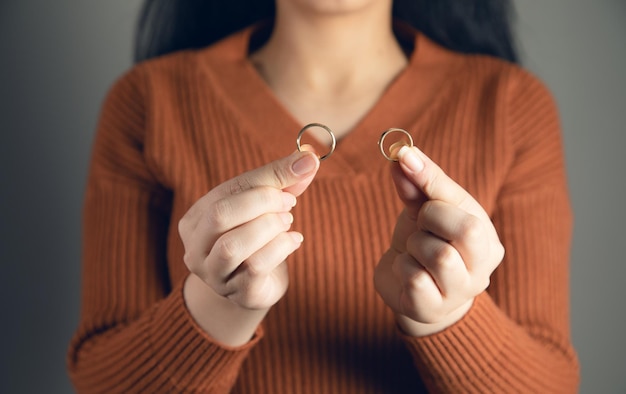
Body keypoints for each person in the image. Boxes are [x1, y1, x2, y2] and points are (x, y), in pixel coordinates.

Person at [67, 0, 580, 392]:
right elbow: (100, 378)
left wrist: (450, 318)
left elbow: (552, 381)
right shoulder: (147, 101)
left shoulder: (510, 105)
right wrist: (218, 306)